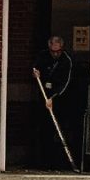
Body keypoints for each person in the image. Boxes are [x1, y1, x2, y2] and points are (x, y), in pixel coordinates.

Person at [33, 33, 78, 170]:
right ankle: (43, 162)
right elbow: (36, 68)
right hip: (43, 96)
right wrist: (36, 73)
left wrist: (53, 98)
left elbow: (65, 83)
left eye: (58, 51)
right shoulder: (43, 56)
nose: (56, 54)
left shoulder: (66, 60)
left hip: (60, 99)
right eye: (53, 51)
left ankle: (60, 162)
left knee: (59, 129)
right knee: (44, 129)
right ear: (49, 47)